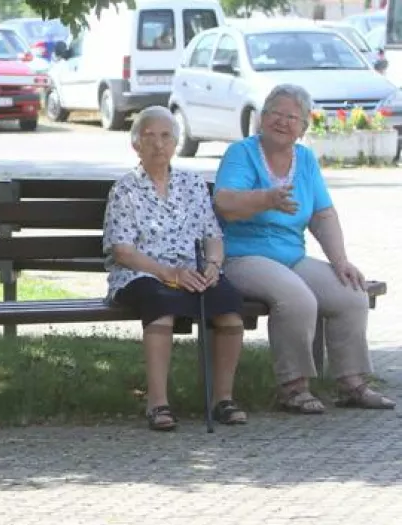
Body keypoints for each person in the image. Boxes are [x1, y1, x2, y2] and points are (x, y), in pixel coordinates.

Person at [214, 84, 394, 413]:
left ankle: (351, 384)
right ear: (262, 118)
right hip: (242, 255)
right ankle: (293, 387)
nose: (282, 122)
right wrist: (265, 198)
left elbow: (323, 214)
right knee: (297, 298)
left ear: (304, 127)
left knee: (351, 292)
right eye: (275, 114)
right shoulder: (242, 153)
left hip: (291, 256)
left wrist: (340, 260)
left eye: (291, 117)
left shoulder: (306, 159)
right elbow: (224, 203)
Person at [103, 106, 248, 431]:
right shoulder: (125, 189)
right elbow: (123, 252)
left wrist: (213, 265)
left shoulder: (193, 185)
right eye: (149, 136)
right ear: (136, 144)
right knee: (162, 303)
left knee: (228, 306)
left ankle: (222, 399)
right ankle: (157, 403)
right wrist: (167, 274)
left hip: (190, 272)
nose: (158, 144)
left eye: (166, 136)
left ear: (176, 142)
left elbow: (213, 235)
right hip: (141, 274)